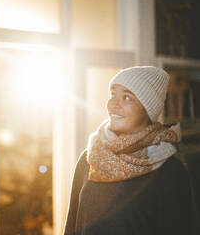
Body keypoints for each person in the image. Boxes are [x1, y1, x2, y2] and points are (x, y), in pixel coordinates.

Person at [63, 66, 198, 235]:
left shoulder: (171, 172)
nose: (113, 104)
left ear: (148, 109)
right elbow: (71, 229)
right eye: (113, 94)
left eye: (127, 97)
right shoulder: (89, 159)